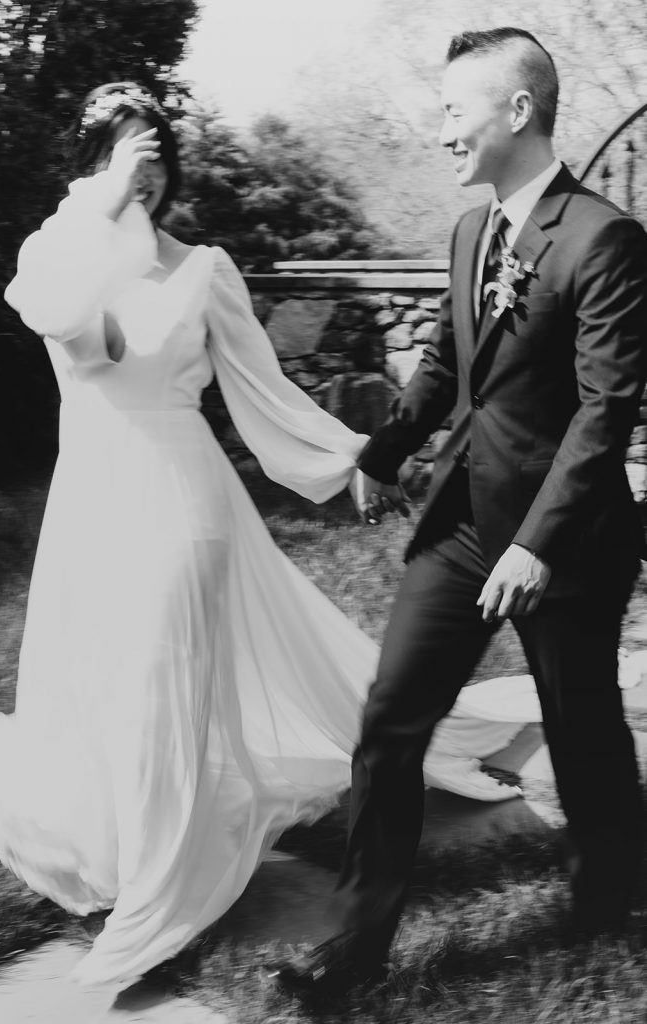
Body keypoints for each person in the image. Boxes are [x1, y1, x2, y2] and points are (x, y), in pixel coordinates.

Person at [0, 81, 530, 993]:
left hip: (178, 502)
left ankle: (162, 895)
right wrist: (109, 199)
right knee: (103, 686)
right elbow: (68, 324)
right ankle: (128, 855)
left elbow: (267, 398)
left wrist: (363, 457)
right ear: (91, 163)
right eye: (123, 149)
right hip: (88, 506)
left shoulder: (202, 270)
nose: (144, 167)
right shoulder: (55, 252)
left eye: (155, 152)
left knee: (163, 689)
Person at [273, 27, 647, 996]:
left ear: (515, 111)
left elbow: (604, 410)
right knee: (390, 721)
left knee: (582, 724)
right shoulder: (467, 232)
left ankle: (610, 895)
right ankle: (352, 954)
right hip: (458, 525)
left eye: (453, 110)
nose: (440, 130)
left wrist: (535, 544)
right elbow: (446, 360)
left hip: (563, 540)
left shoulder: (602, 238)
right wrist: (383, 449)